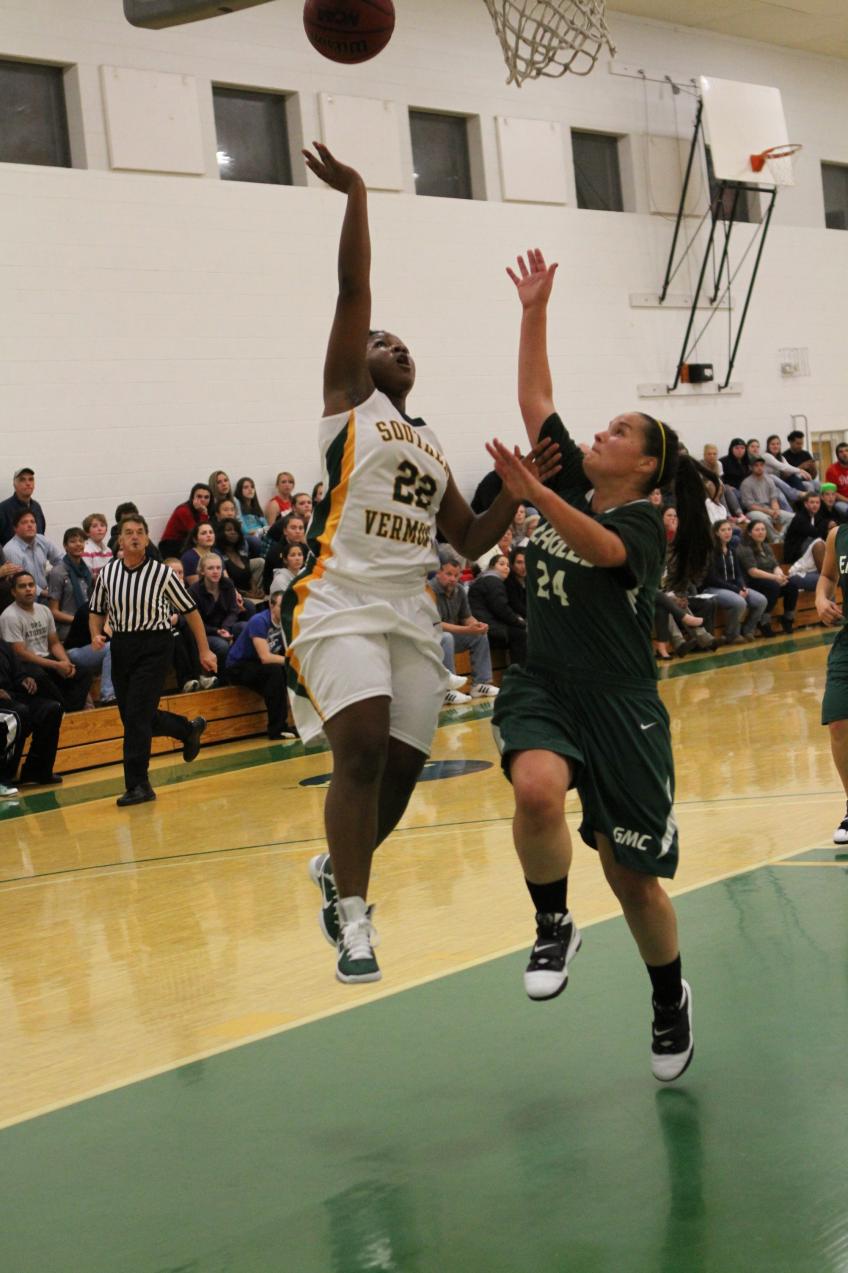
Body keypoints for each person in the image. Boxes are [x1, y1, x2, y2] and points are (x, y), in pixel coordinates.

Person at [288, 145, 558, 986]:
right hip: (337, 597)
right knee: (361, 747)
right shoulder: (346, 404)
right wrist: (359, 195)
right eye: (378, 339)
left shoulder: (428, 438)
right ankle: (357, 922)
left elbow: (472, 541)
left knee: (401, 770)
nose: (389, 340)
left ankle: (339, 868)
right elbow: (352, 292)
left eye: (399, 340)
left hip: (408, 607)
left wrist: (519, 492)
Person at [487, 247, 714, 1082]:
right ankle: (553, 920)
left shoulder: (646, 524)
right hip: (545, 681)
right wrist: (534, 309)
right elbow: (537, 396)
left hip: (623, 706)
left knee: (633, 878)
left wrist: (534, 496)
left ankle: (667, 997)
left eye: (620, 431)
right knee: (536, 788)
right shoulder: (572, 478)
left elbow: (601, 546)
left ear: (646, 465)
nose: (600, 432)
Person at [89, 515, 217, 807]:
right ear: (120, 540)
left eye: (139, 533)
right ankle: (187, 729)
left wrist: (204, 650)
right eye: (128, 533)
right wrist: (96, 634)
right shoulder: (108, 574)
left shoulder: (162, 574)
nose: (134, 537)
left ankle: (138, 785)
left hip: (155, 645)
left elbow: (191, 611)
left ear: (146, 539)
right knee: (135, 717)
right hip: (122, 646)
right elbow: (96, 610)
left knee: (136, 717)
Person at [0, 571, 93, 711]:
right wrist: (56, 665)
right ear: (13, 592)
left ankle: (70, 710)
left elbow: (54, 643)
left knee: (82, 672)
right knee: (40, 676)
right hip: (26, 665)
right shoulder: (9, 616)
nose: (28, 589)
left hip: (47, 659)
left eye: (31, 585)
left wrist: (65, 663)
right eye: (22, 586)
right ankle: (66, 710)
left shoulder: (44, 610)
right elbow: (20, 653)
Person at [47, 527, 115, 703]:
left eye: (81, 541)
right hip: (69, 638)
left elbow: (93, 606)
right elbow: (52, 611)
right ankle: (108, 695)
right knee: (111, 648)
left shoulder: (86, 571)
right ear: (65, 545)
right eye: (72, 541)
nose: (78, 544)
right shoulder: (58, 572)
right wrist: (80, 619)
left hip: (88, 632)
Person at [815, 524, 848, 842]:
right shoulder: (839, 535)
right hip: (847, 640)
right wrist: (822, 600)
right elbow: (827, 577)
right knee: (838, 721)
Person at [225, 590, 294, 740]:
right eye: (282, 606)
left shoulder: (287, 623)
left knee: (284, 676)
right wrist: (292, 662)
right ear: (271, 605)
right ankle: (277, 729)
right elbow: (265, 657)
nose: (285, 610)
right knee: (275, 673)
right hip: (238, 666)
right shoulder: (259, 621)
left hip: (259, 666)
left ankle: (289, 725)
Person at [430, 555, 499, 702]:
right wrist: (467, 630)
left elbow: (466, 617)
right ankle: (448, 691)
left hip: (451, 637)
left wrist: (477, 625)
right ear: (438, 573)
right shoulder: (430, 590)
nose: (453, 579)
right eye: (448, 574)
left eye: (456, 575)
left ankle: (480, 684)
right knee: (446, 637)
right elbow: (437, 625)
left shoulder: (460, 590)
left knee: (480, 635)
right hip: (430, 639)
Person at [0, 636, 64, 787]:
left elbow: (18, 673)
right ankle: (3, 778)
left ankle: (36, 772)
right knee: (18, 713)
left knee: (51, 709)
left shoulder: (3, 644)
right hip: (5, 705)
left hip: (12, 697)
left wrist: (25, 679)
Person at [702, 519, 768, 641]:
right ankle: (731, 634)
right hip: (714, 588)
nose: (727, 533)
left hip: (733, 587)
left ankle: (748, 630)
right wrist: (736, 590)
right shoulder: (710, 552)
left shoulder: (732, 550)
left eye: (729, 529)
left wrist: (742, 586)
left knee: (761, 600)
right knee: (739, 602)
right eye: (723, 530)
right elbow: (712, 578)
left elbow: (738, 573)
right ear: (716, 533)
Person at [735, 521, 802, 635]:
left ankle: (787, 619)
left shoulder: (766, 546)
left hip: (770, 579)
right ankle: (763, 621)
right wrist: (775, 578)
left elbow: (775, 565)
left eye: (763, 529)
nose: (761, 532)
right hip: (752, 581)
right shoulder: (744, 548)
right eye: (757, 530)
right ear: (750, 533)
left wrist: (781, 576)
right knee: (773, 587)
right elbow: (753, 572)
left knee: (791, 585)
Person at [469, 552, 528, 667]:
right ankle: (520, 674)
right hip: (487, 627)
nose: (506, 567)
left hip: (485, 624)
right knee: (520, 633)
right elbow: (501, 609)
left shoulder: (486, 580)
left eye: (507, 565)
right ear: (491, 567)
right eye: (501, 564)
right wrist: (520, 623)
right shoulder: (493, 581)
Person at [189, 553, 240, 676]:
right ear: (202, 572)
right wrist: (217, 631)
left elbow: (233, 611)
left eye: (218, 568)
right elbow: (196, 622)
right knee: (222, 646)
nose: (215, 571)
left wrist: (225, 628)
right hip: (207, 631)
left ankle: (242, 673)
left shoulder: (227, 584)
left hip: (225, 626)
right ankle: (223, 679)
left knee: (246, 628)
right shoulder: (194, 591)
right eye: (210, 568)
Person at [3, 510, 63, 600]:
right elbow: (20, 581)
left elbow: (60, 560)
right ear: (15, 528)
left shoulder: (41, 540)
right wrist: (45, 593)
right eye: (24, 522)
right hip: (26, 598)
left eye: (32, 522)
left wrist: (57, 580)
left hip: (46, 592)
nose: (30, 525)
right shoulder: (11, 550)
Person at [738, 456, 793, 541]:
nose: (759, 468)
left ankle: (782, 536)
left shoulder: (769, 480)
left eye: (761, 465)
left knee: (793, 517)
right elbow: (750, 506)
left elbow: (774, 498)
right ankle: (776, 540)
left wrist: (776, 510)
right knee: (764, 519)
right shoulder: (746, 483)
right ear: (750, 467)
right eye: (756, 465)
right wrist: (769, 511)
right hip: (753, 512)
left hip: (770, 509)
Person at [159, 483, 212, 559]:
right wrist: (203, 514)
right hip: (171, 545)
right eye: (199, 496)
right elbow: (196, 533)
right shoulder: (183, 510)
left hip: (186, 543)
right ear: (192, 497)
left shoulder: (208, 509)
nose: (202, 500)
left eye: (206, 497)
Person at [215, 517, 264, 597]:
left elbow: (249, 574)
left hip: (249, 593)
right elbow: (225, 584)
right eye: (229, 530)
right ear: (221, 533)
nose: (233, 532)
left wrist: (255, 589)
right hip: (233, 596)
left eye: (236, 530)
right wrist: (247, 595)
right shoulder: (218, 554)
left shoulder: (241, 550)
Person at [782, 491, 830, 567]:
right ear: (806, 504)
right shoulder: (800, 518)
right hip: (795, 556)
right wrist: (827, 523)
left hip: (806, 552)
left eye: (817, 503)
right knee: (818, 543)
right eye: (812, 502)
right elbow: (816, 534)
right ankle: (825, 574)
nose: (815, 505)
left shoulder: (816, 516)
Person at [0, 468, 46, 545]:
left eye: (31, 479)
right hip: (12, 556)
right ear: (14, 484)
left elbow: (41, 534)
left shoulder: (36, 507)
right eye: (22, 480)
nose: (28, 483)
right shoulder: (3, 509)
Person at [181, 521, 219, 586]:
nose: (209, 535)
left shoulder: (217, 553)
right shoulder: (188, 558)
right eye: (204, 533)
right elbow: (198, 587)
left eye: (211, 532)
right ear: (195, 539)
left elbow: (226, 578)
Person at [235, 477, 270, 542]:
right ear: (239, 490)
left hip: (262, 536)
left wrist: (261, 531)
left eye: (252, 487)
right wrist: (259, 531)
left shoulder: (256, 508)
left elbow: (267, 527)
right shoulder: (238, 507)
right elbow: (246, 531)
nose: (250, 489)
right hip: (250, 539)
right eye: (246, 487)